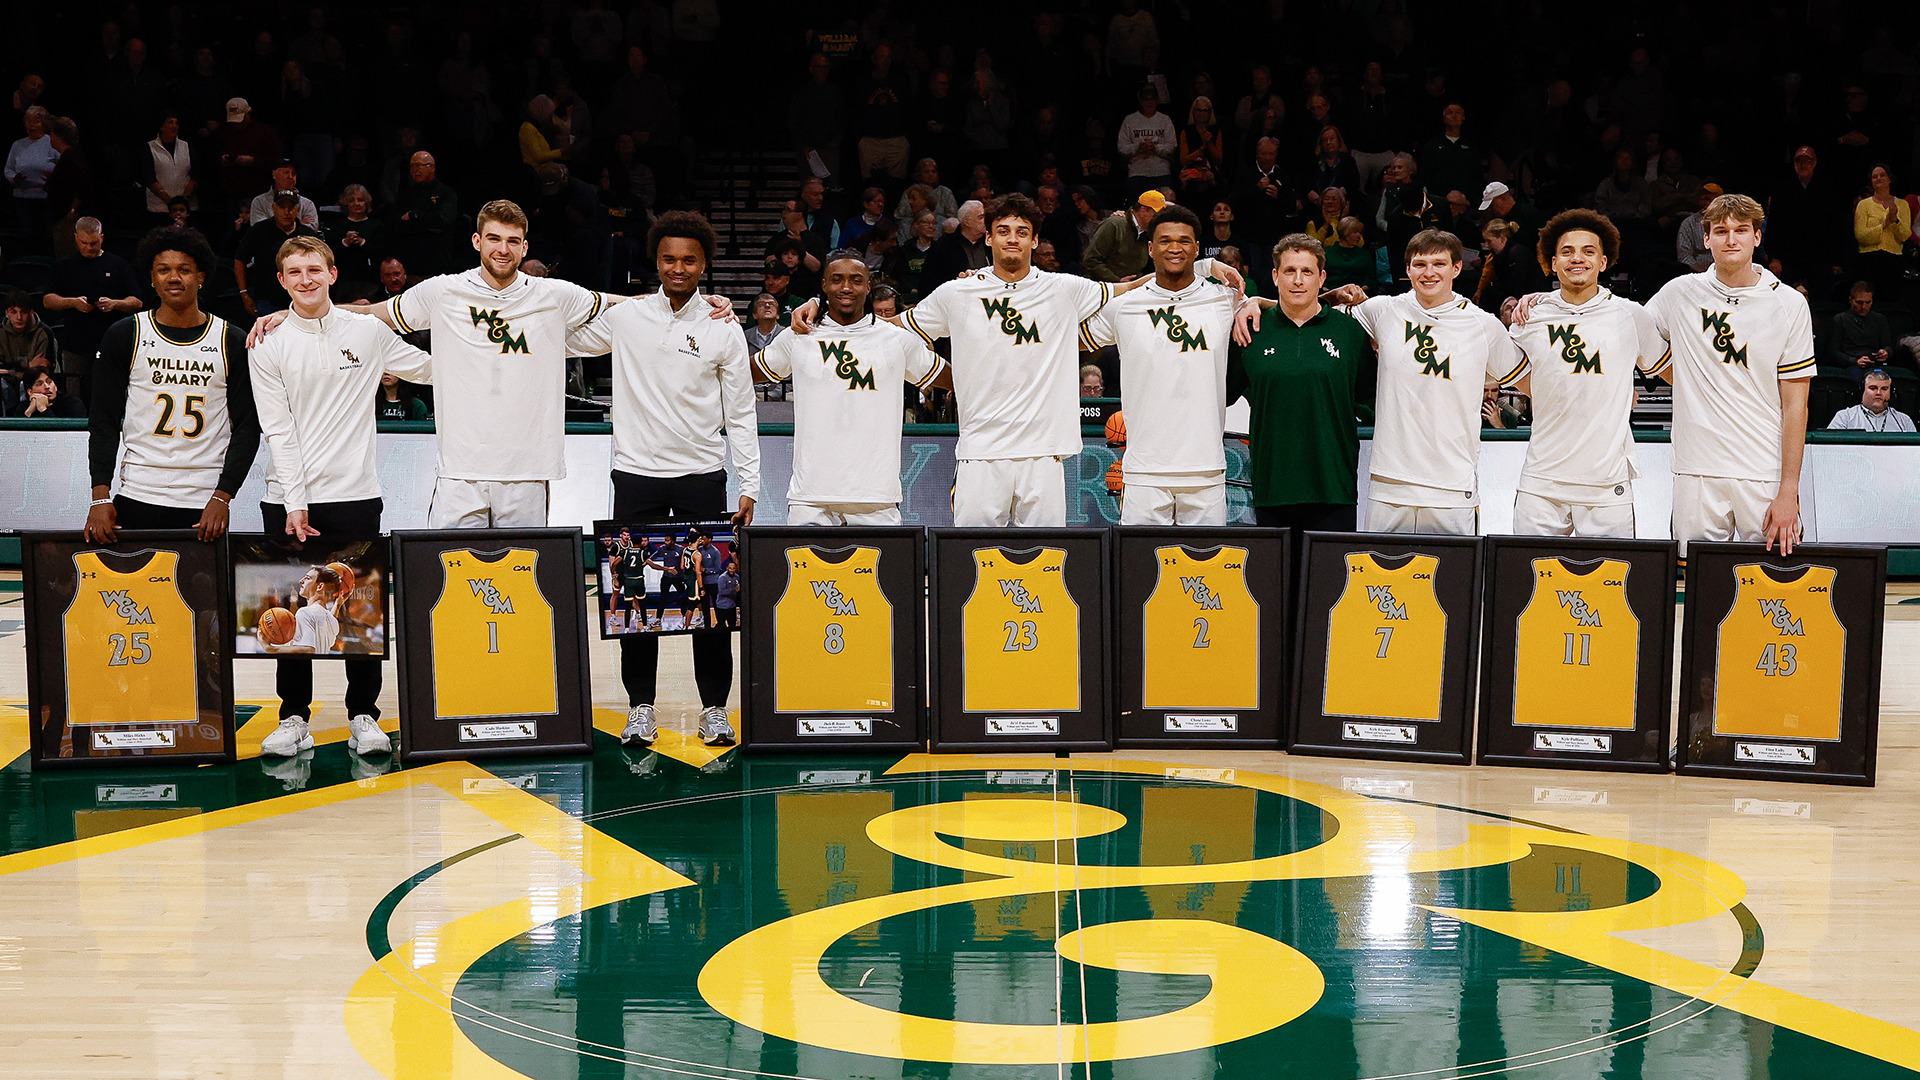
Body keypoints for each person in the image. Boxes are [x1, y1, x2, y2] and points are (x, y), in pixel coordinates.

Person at [249, 201, 681, 528]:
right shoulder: (442, 292)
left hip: (529, 469)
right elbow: (378, 312)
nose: (503, 248)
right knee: (451, 584)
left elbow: (624, 306)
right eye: (494, 238)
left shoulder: (554, 295)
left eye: (513, 241)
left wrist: (683, 303)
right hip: (459, 468)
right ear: (477, 241)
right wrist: (301, 310)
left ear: (525, 247)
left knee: (521, 586)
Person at [794, 194, 1218, 526]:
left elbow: (1139, 286)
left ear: (1035, 240)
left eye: (1021, 231)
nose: (1012, 238)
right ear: (989, 238)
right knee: (972, 564)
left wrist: (1211, 267)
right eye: (1003, 230)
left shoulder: (1064, 289)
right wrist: (822, 306)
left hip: (1045, 455)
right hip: (980, 453)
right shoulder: (956, 293)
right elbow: (891, 329)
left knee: (1046, 571)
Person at [565, 211, 759, 749]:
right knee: (635, 602)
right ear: (656, 261)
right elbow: (559, 333)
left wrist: (750, 483)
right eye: (669, 258)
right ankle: (640, 709)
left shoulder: (723, 327)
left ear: (705, 265)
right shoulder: (625, 318)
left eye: (689, 260)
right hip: (637, 478)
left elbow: (741, 412)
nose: (678, 267)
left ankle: (715, 710)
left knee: (712, 602)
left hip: (701, 478)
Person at [249, 234, 433, 758]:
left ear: (332, 274)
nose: (306, 279)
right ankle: (293, 718)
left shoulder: (368, 331)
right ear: (281, 281)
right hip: (287, 499)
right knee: (289, 611)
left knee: (361, 614)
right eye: (294, 272)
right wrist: (293, 501)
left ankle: (363, 716)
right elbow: (277, 430)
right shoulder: (268, 342)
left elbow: (428, 369)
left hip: (356, 497)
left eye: (315, 269)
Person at [1320, 230, 1527, 534]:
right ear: (1407, 269)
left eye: (1439, 264)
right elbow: (1310, 312)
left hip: (1452, 486)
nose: (1429, 273)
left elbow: (1528, 383)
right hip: (1389, 484)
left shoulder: (1483, 325)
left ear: (1457, 268)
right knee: (1380, 579)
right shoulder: (1383, 310)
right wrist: (1332, 293)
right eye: (1420, 264)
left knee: (1453, 580)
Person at [1646, 194, 1814, 553]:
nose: (1731, 239)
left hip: (1763, 469)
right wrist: (1545, 300)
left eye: (1741, 230)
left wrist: (1789, 489)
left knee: (1772, 586)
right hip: (1696, 468)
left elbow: (1796, 405)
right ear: (1706, 238)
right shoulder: (1679, 293)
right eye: (1720, 231)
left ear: (1757, 236)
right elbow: (1624, 329)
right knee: (1698, 588)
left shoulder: (1789, 304)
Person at [84, 227, 258, 542]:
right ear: (151, 277)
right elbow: (103, 421)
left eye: (184, 270)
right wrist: (100, 496)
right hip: (137, 492)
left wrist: (223, 496)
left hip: (203, 502)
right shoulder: (126, 334)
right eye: (163, 270)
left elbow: (247, 426)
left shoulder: (231, 340)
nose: (173, 278)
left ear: (201, 276)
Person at [1503, 210, 1670, 536]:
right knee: (1529, 583)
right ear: (1552, 263)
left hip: (1606, 483)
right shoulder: (1531, 316)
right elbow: (1508, 374)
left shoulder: (1630, 315)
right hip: (1542, 480)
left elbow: (1669, 371)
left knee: (1612, 585)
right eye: (1567, 252)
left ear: (1604, 262)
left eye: (1588, 251)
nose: (1577, 259)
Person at [750, 250, 947, 525]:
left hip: (876, 495)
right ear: (823, 285)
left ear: (868, 286)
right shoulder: (799, 336)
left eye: (855, 280)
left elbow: (954, 379)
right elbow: (746, 373)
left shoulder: (897, 340)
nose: (845, 287)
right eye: (837, 279)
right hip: (810, 495)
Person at [1078, 204, 1242, 524]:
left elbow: (1281, 309)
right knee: (1139, 571)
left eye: (1184, 241)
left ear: (1197, 248)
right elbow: (1073, 341)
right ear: (1150, 248)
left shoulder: (1226, 301)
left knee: (1206, 572)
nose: (1175, 248)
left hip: (1205, 467)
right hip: (1144, 469)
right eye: (1165, 241)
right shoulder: (1124, 306)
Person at [1226, 234, 1374, 532]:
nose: (1298, 280)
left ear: (1321, 278)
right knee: (1277, 579)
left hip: (1334, 486)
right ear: (1275, 276)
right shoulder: (1250, 331)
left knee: (1330, 578)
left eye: (1307, 272)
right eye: (1289, 271)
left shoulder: (1350, 332)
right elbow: (1224, 393)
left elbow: (1370, 400)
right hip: (1273, 488)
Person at [44, 218, 142, 404]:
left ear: (102, 238)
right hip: (76, 344)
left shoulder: (118, 265)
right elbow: (48, 300)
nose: (89, 247)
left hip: (111, 343)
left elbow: (136, 302)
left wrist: (115, 304)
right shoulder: (64, 266)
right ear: (75, 238)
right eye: (84, 243)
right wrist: (71, 302)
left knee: (111, 394)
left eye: (94, 243)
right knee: (75, 396)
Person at [236, 193, 324, 318]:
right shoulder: (258, 231)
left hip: (302, 301)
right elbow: (240, 260)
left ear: (298, 210)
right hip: (266, 302)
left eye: (291, 207)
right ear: (273, 208)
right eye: (282, 207)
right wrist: (244, 293)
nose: (287, 212)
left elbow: (321, 266)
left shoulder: (308, 235)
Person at [1853, 164, 1912, 298]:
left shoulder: (1902, 204)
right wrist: (1885, 224)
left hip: (1893, 261)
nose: (1878, 178)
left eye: (1882, 175)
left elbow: (1904, 235)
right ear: (1871, 182)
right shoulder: (1864, 205)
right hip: (1868, 261)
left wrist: (1895, 220)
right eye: (1874, 176)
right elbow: (1861, 235)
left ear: (1890, 179)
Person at [1082, 189, 1165, 282]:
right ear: (1143, 211)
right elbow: (1091, 260)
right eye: (1156, 215)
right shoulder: (1114, 225)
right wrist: (1117, 280)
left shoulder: (1150, 233)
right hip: (1108, 289)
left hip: (1134, 289)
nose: (1159, 219)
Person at [5, 106, 58, 250]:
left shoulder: (51, 142)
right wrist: (14, 179)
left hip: (45, 198)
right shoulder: (18, 144)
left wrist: (53, 177)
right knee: (26, 238)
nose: (32, 125)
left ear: (44, 124)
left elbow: (62, 166)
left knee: (46, 238)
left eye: (36, 122)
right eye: (29, 121)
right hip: (22, 198)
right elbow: (8, 168)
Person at [1828, 282, 1892, 383]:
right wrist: (1854, 361)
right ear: (1851, 300)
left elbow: (1888, 346)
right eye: (1859, 302)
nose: (1863, 306)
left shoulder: (1880, 319)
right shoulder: (1840, 319)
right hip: (1851, 365)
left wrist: (1885, 352)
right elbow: (1833, 351)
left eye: (1868, 302)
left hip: (1875, 364)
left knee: (1883, 380)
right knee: (1858, 381)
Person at [1118, 85, 1176, 186]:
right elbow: (1122, 146)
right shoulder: (1130, 120)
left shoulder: (1165, 120)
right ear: (1140, 101)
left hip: (1161, 172)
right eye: (1146, 99)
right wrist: (1138, 146)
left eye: (1152, 98)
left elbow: (1172, 145)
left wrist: (1155, 148)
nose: (1149, 102)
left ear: (1157, 100)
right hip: (1137, 172)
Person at [1828, 370, 1915, 432]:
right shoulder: (1844, 417)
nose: (1878, 393)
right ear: (1862, 391)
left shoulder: (1904, 420)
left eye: (1884, 389)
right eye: (1873, 388)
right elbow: (1831, 450)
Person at [247, 160, 319, 229]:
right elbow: (259, 230)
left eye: (293, 173)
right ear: (274, 174)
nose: (290, 177)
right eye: (286, 172)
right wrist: (299, 225)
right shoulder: (259, 202)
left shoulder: (307, 203)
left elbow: (311, 229)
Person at [1325, 217, 1374, 290]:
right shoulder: (1327, 253)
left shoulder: (1365, 255)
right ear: (1344, 233)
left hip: (1358, 294)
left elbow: (1370, 279)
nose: (1359, 236)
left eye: (1360, 233)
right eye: (1354, 232)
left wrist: (1363, 288)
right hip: (1331, 293)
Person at [712, 559, 740, 629]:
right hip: (722, 607)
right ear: (727, 568)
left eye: (733, 568)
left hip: (732, 607)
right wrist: (734, 590)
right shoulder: (722, 578)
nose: (732, 570)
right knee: (721, 627)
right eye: (730, 568)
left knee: (732, 626)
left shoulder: (737, 577)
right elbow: (722, 592)